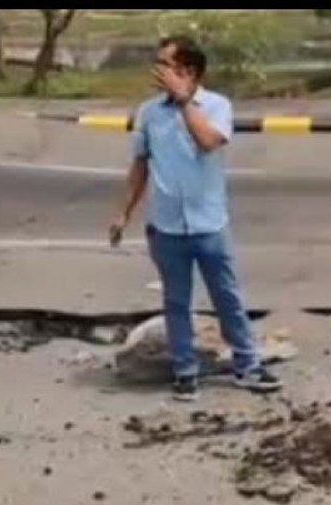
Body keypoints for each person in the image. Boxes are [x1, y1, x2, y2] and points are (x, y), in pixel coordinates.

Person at [110, 36, 282, 402]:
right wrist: (123, 212)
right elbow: (140, 165)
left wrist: (186, 101)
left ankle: (247, 366)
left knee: (227, 298)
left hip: (209, 225)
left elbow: (207, 141)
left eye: (164, 64)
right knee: (176, 302)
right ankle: (185, 371)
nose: (156, 70)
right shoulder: (148, 113)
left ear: (187, 71)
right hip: (166, 225)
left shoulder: (217, 106)